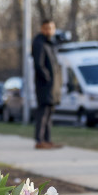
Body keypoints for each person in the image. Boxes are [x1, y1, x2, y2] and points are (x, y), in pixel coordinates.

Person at [32, 19, 63, 149]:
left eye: (51, 28)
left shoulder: (51, 44)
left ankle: (47, 139)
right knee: (43, 113)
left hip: (52, 86)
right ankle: (40, 140)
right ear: (42, 28)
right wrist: (48, 78)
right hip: (44, 85)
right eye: (46, 28)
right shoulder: (39, 43)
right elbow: (39, 65)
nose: (49, 31)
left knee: (49, 113)